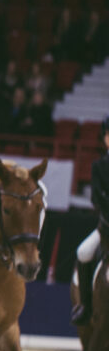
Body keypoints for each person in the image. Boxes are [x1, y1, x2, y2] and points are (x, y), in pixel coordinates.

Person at [71, 116, 109, 325]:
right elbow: (97, 198)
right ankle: (86, 306)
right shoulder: (99, 167)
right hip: (107, 227)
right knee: (83, 252)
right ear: (105, 138)